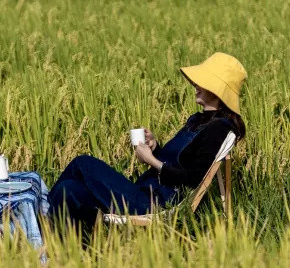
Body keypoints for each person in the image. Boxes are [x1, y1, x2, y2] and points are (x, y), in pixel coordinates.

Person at [48, 52, 247, 236]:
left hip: (156, 204)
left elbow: (193, 178)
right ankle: (59, 248)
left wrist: (151, 160)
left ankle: (40, 228)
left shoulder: (218, 129)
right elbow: (178, 164)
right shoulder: (198, 120)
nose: (195, 84)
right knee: (68, 188)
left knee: (83, 163)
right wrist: (156, 147)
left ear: (216, 89)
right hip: (145, 192)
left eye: (202, 82)